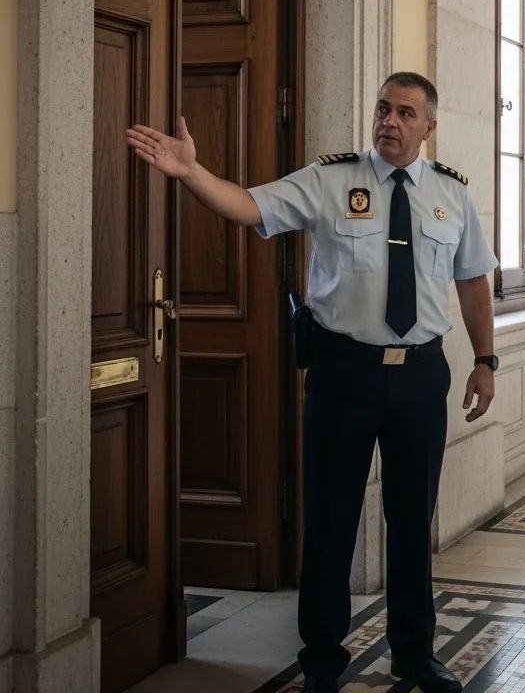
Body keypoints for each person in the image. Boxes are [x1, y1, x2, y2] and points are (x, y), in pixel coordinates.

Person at [126, 71, 499, 693]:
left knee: (413, 521)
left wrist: (486, 360)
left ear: (429, 126)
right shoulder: (330, 181)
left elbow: (472, 280)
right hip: (343, 375)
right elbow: (250, 206)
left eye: (406, 113)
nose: (389, 121)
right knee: (330, 521)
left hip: (420, 377)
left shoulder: (452, 194)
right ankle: (322, 661)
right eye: (383, 108)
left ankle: (414, 653)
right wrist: (191, 172)